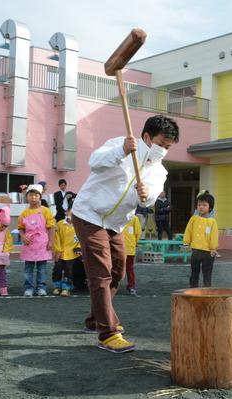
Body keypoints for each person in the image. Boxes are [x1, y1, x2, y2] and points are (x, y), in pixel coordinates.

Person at [72, 114, 179, 353]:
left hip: (116, 223)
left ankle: (94, 319)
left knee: (117, 272)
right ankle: (108, 333)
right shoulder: (120, 144)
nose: (163, 150)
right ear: (146, 137)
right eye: (161, 144)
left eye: (168, 147)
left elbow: (151, 197)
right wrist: (121, 150)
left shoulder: (159, 172)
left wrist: (146, 194)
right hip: (89, 214)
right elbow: (95, 162)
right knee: (101, 274)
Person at [18, 184, 55, 297]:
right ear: (27, 196)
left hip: (42, 244)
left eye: (35, 195)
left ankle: (41, 287)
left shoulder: (46, 211)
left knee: (41, 268)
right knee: (28, 268)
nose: (33, 197)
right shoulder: (24, 213)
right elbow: (20, 228)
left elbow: (51, 227)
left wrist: (51, 241)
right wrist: (23, 236)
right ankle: (28, 288)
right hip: (29, 244)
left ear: (40, 197)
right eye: (31, 195)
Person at [183, 192, 219, 287]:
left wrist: (213, 248)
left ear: (210, 207)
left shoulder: (212, 222)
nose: (201, 207)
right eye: (199, 205)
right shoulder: (193, 219)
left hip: (208, 252)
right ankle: (193, 289)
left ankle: (207, 290)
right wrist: (186, 243)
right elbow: (188, 231)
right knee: (194, 271)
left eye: (204, 205)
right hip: (195, 250)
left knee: (207, 272)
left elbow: (214, 236)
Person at [52, 206, 80, 297]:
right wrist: (58, 250)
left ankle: (66, 287)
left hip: (72, 254)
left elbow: (81, 239)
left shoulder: (79, 226)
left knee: (69, 271)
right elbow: (57, 238)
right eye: (70, 212)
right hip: (60, 253)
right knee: (57, 269)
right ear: (66, 212)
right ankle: (57, 286)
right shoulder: (60, 224)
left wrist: (79, 247)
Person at [122, 215, 142, 296]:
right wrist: (135, 242)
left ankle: (110, 286)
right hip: (129, 247)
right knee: (129, 268)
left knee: (112, 268)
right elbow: (138, 232)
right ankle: (131, 287)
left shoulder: (117, 216)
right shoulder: (134, 218)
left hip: (116, 248)